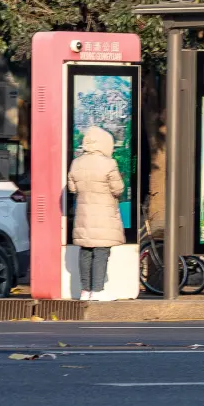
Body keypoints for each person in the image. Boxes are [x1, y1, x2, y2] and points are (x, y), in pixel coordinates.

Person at [67, 126, 125, 301]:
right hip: (104, 215)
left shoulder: (76, 163)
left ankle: (85, 291)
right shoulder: (109, 163)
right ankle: (98, 291)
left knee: (85, 251)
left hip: (83, 214)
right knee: (101, 251)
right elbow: (118, 189)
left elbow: (72, 188)